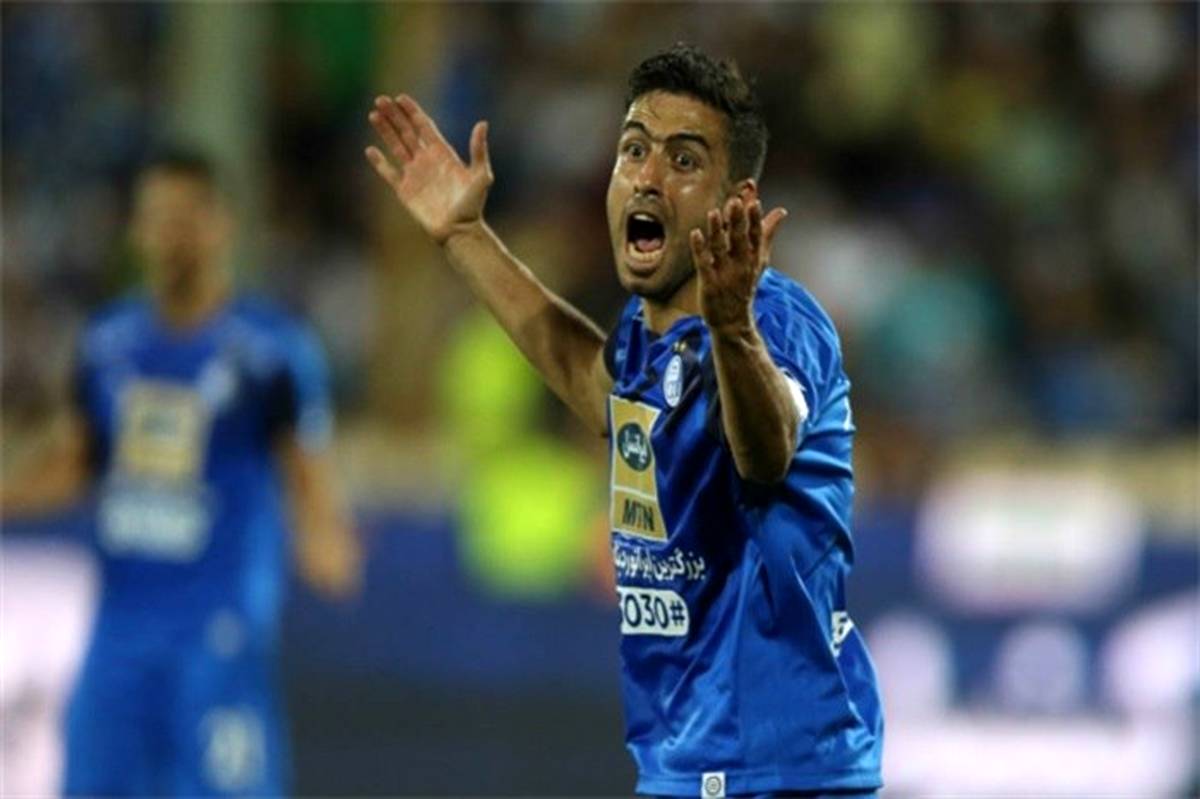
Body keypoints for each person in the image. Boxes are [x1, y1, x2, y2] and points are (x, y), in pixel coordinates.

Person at [365, 43, 882, 798]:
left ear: (736, 201)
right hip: (681, 762)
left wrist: (733, 331)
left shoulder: (779, 321)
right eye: (634, 150)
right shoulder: (645, 337)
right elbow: (588, 377)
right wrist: (464, 235)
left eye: (683, 160)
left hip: (781, 769)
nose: (647, 176)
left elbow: (766, 453)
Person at [1, 149, 362, 795]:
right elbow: (74, 462)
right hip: (118, 634)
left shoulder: (271, 352)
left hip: (217, 634)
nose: (170, 234)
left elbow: (308, 472)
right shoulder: (108, 343)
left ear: (221, 225)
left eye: (185, 217)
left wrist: (323, 535)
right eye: (157, 218)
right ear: (137, 230)